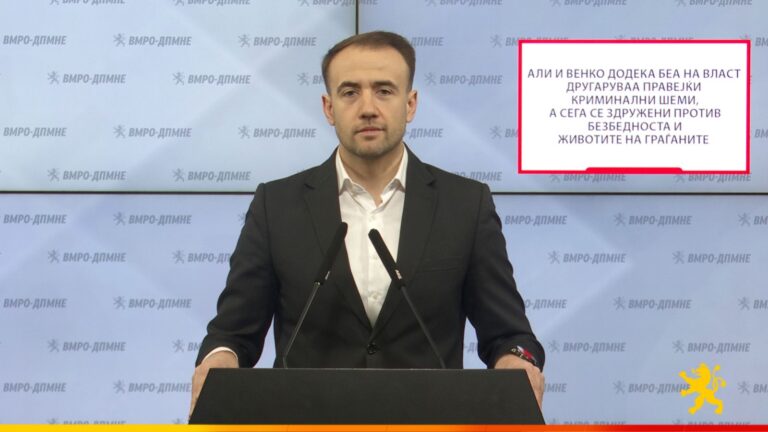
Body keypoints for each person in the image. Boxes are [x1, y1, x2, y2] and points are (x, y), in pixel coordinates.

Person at [190, 31, 544, 416]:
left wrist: (516, 361)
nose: (368, 108)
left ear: (410, 104)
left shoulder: (464, 205)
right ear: (328, 108)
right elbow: (232, 334)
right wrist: (218, 359)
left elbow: (509, 335)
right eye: (350, 92)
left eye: (384, 90)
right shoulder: (276, 205)